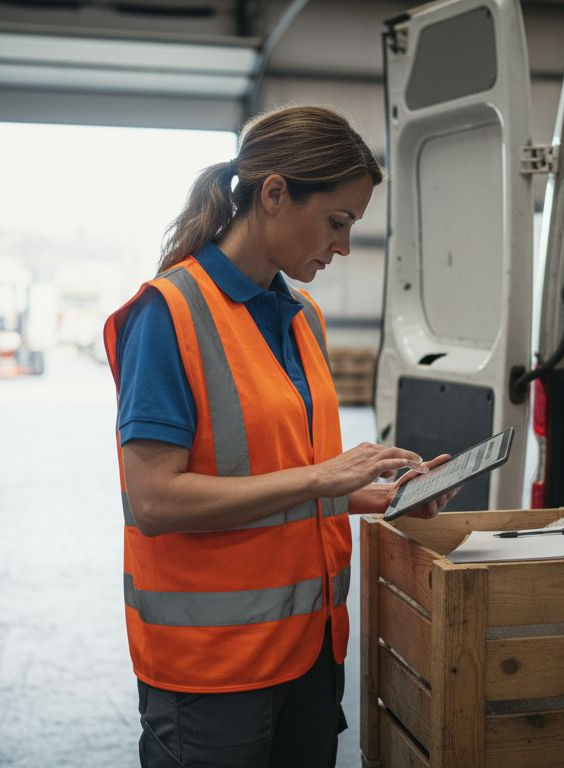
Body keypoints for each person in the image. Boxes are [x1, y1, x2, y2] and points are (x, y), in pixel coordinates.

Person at [102, 105, 456, 768]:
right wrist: (326, 477)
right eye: (337, 221)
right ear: (273, 194)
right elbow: (155, 500)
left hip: (310, 650)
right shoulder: (167, 314)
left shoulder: (302, 318)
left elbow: (269, 473)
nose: (345, 244)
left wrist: (372, 499)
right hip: (214, 671)